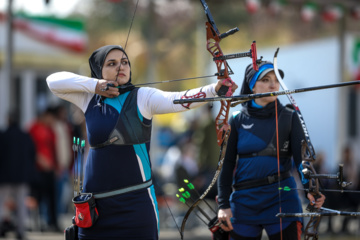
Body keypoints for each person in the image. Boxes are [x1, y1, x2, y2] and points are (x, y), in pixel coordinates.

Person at [46, 44, 238, 240]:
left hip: (136, 206)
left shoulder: (142, 97)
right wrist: (96, 86)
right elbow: (53, 81)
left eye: (125, 62)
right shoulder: (89, 99)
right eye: (111, 63)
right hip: (96, 208)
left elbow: (179, 99)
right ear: (99, 70)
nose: (120, 67)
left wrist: (214, 89)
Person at [217, 61, 326, 240]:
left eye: (276, 79)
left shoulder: (289, 117)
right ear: (252, 86)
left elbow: (302, 161)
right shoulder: (236, 119)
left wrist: (312, 189)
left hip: (282, 197)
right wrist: (223, 205)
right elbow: (226, 164)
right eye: (266, 80)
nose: (273, 84)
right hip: (244, 202)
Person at [0, 112, 36, 240]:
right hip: (21, 176)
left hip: (4, 176)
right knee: (21, 204)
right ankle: (20, 231)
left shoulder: (3, 136)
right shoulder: (25, 136)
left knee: (1, 202)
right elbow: (32, 155)